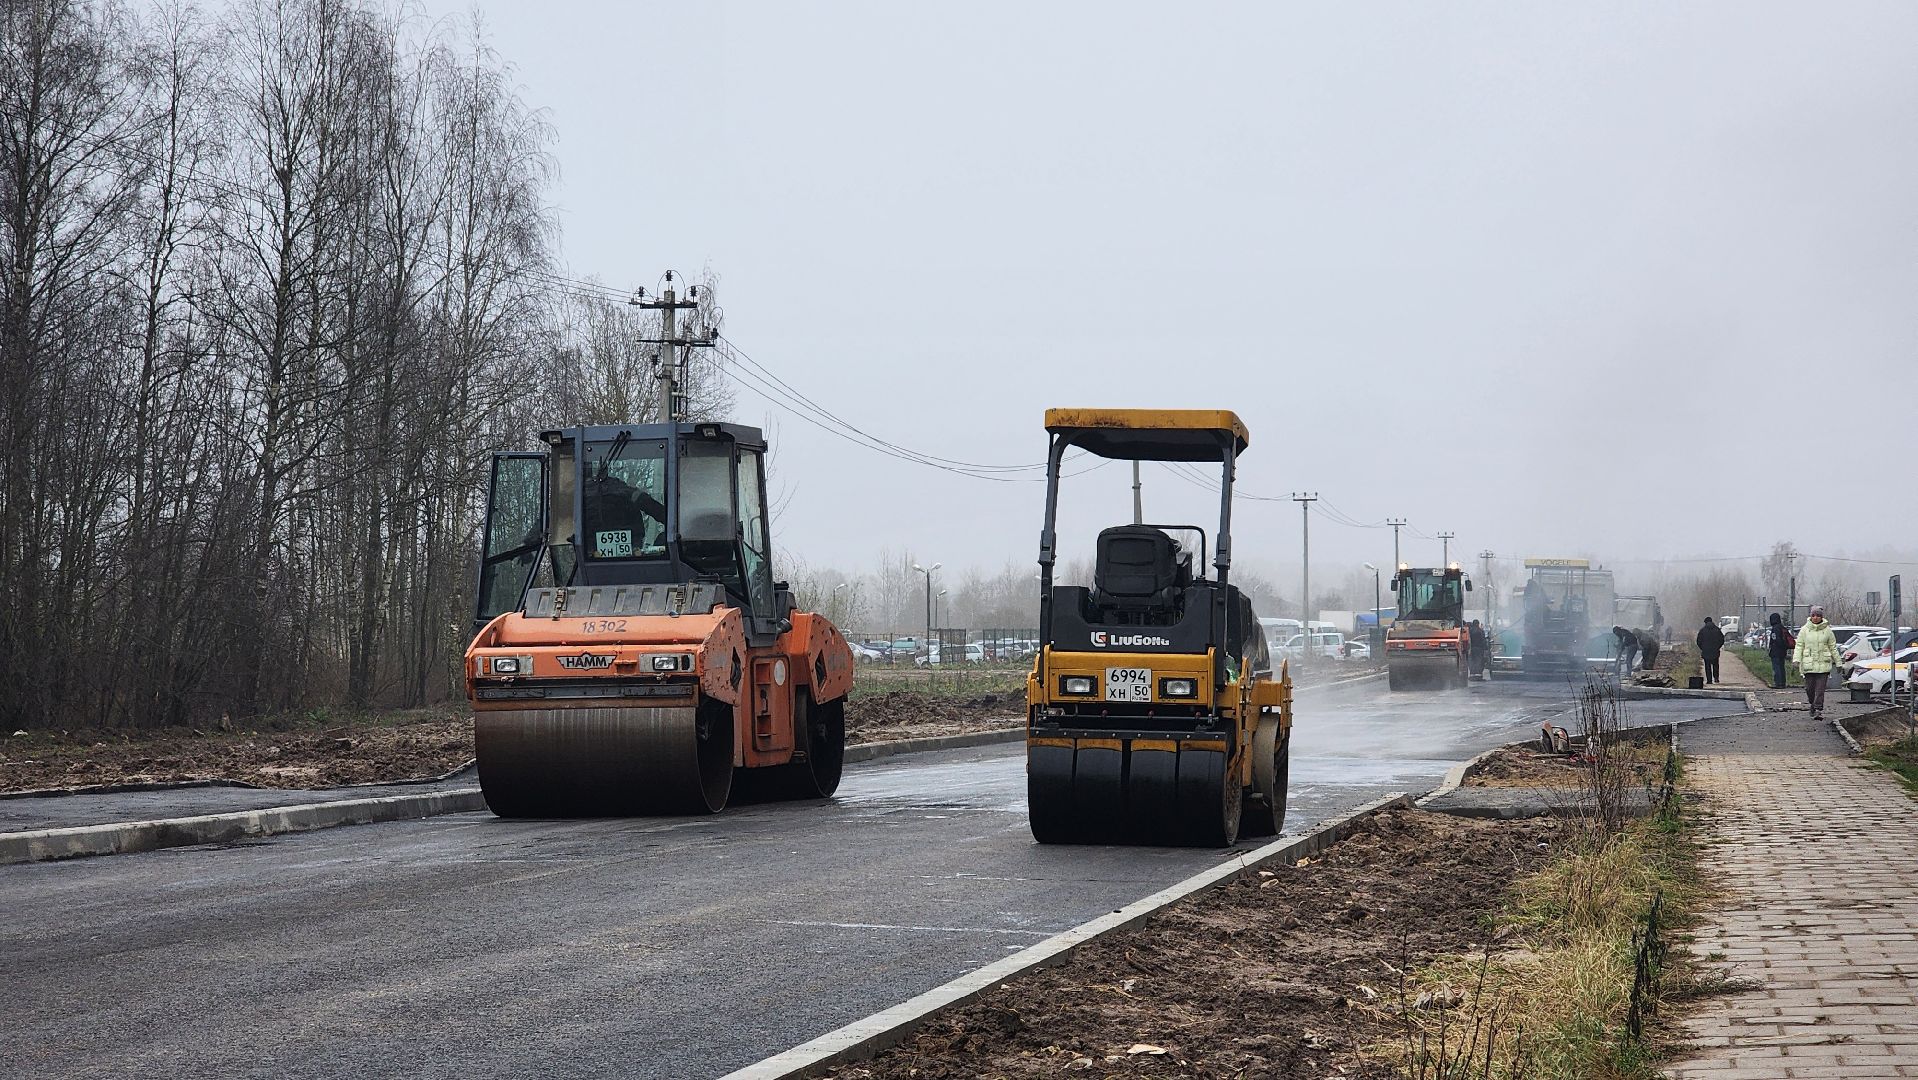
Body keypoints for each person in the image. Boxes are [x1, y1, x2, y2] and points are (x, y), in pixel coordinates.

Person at [1793, 606, 1843, 720]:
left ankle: (1818, 709)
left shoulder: (1827, 631)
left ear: (1822, 617)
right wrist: (1796, 660)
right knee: (1809, 689)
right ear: (1810, 616)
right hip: (1808, 664)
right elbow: (1799, 646)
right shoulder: (1804, 630)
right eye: (1813, 615)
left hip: (1823, 665)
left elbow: (1833, 647)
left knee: (1820, 690)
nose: (1815, 617)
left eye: (1818, 615)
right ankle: (1812, 704)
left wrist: (1838, 662)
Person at [1766, 612, 1793, 689]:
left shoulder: (1775, 628)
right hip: (1782, 651)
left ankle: (1777, 683)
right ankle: (1782, 682)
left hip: (1775, 651)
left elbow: (1776, 639)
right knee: (1781, 667)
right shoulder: (1782, 627)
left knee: (1776, 667)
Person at [1696, 616, 1725, 685]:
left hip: (1706, 651)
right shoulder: (1717, 630)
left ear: (1705, 622)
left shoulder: (1702, 631)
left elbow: (1698, 641)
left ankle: (1709, 680)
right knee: (1715, 665)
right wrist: (1717, 647)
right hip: (1715, 651)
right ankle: (1716, 678)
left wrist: (1703, 648)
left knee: (1707, 666)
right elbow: (1722, 640)